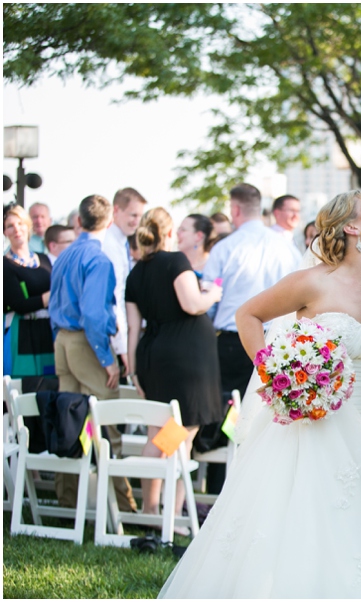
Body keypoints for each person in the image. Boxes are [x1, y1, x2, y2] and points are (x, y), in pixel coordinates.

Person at [159, 189, 361, 598]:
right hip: (312, 430)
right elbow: (247, 315)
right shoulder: (312, 282)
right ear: (353, 226)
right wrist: (280, 375)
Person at [125, 207, 223, 530]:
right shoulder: (176, 262)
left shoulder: (135, 273)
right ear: (168, 234)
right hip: (186, 362)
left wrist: (134, 370)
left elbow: (132, 328)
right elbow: (192, 304)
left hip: (153, 357)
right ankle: (169, 513)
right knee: (181, 434)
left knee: (162, 432)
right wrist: (212, 293)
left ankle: (156, 510)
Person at [199, 183, 300, 494]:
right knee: (267, 414)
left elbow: (209, 298)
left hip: (231, 341)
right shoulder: (286, 248)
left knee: (225, 413)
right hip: (275, 341)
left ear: (235, 210)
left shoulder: (225, 248)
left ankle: (219, 490)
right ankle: (260, 488)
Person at [48, 194, 136, 513]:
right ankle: (124, 507)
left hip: (63, 341)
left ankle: (67, 500)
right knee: (106, 421)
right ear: (110, 220)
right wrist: (107, 359)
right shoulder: (98, 260)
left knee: (67, 421)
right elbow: (94, 316)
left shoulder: (65, 255)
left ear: (79, 221)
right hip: (86, 342)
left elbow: (54, 304)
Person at [3, 204, 54, 383]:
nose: (17, 229)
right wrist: (49, 297)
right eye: (10, 226)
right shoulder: (6, 265)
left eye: (20, 223)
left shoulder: (45, 258)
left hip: (48, 331)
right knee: (27, 387)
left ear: (27, 225)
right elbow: (19, 304)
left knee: (51, 383)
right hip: (22, 335)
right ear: (5, 232)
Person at [101, 187, 147, 380]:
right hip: (113, 339)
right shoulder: (109, 244)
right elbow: (114, 298)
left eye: (140, 216)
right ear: (116, 210)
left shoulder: (121, 242)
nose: (136, 221)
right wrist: (123, 347)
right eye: (132, 215)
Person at [176, 213, 217, 277]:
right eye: (179, 229)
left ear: (199, 236)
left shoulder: (215, 265)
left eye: (183, 230)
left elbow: (219, 284)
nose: (177, 233)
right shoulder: (174, 263)